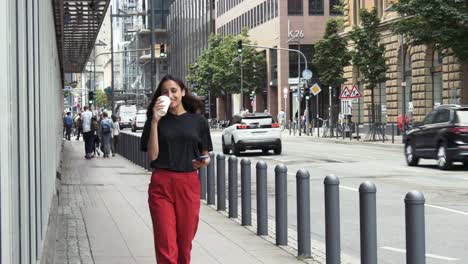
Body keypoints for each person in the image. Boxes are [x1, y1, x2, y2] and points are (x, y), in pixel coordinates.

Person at [140, 75, 213, 264]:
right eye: (165, 92)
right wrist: (155, 121)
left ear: (183, 92)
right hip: (161, 185)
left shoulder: (198, 121)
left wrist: (204, 161)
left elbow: (206, 155)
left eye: (174, 90)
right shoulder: (153, 121)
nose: (170, 95)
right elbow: (153, 156)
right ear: (159, 97)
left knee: (184, 243)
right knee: (166, 243)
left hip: (188, 184)